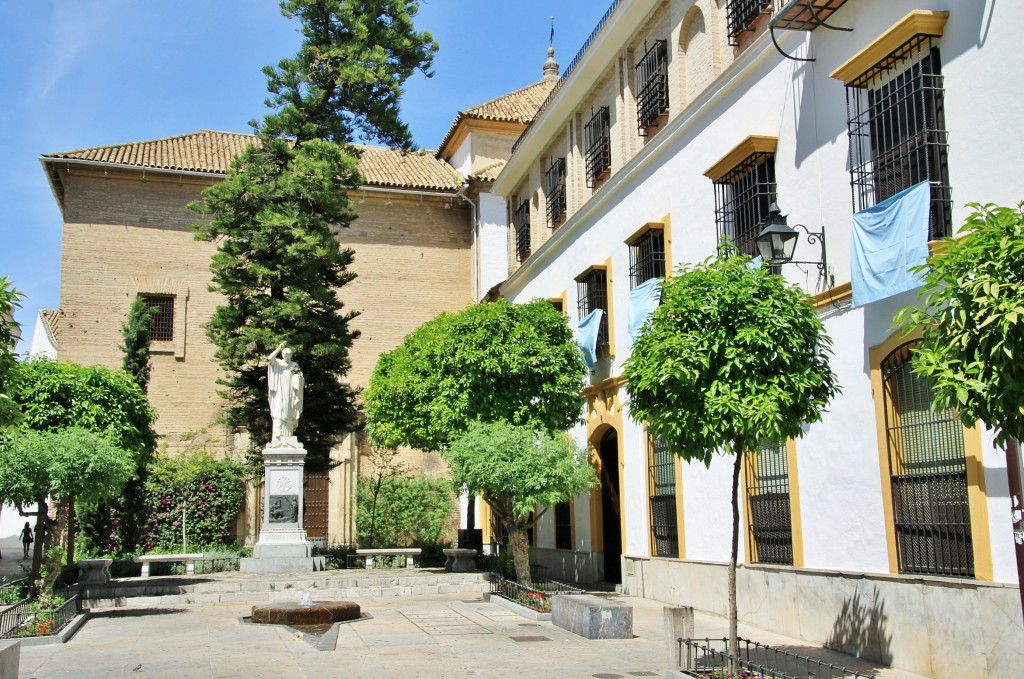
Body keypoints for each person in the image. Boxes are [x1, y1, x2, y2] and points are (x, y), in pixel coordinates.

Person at [267, 341, 304, 445]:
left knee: (289, 412)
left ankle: (288, 435)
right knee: (278, 411)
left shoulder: (294, 365)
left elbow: (300, 378)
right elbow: (270, 359)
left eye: (288, 355)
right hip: (279, 392)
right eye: (284, 354)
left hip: (290, 393)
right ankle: (277, 435)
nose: (286, 356)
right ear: (282, 355)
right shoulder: (278, 363)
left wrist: (297, 380)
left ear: (291, 355)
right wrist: (279, 348)